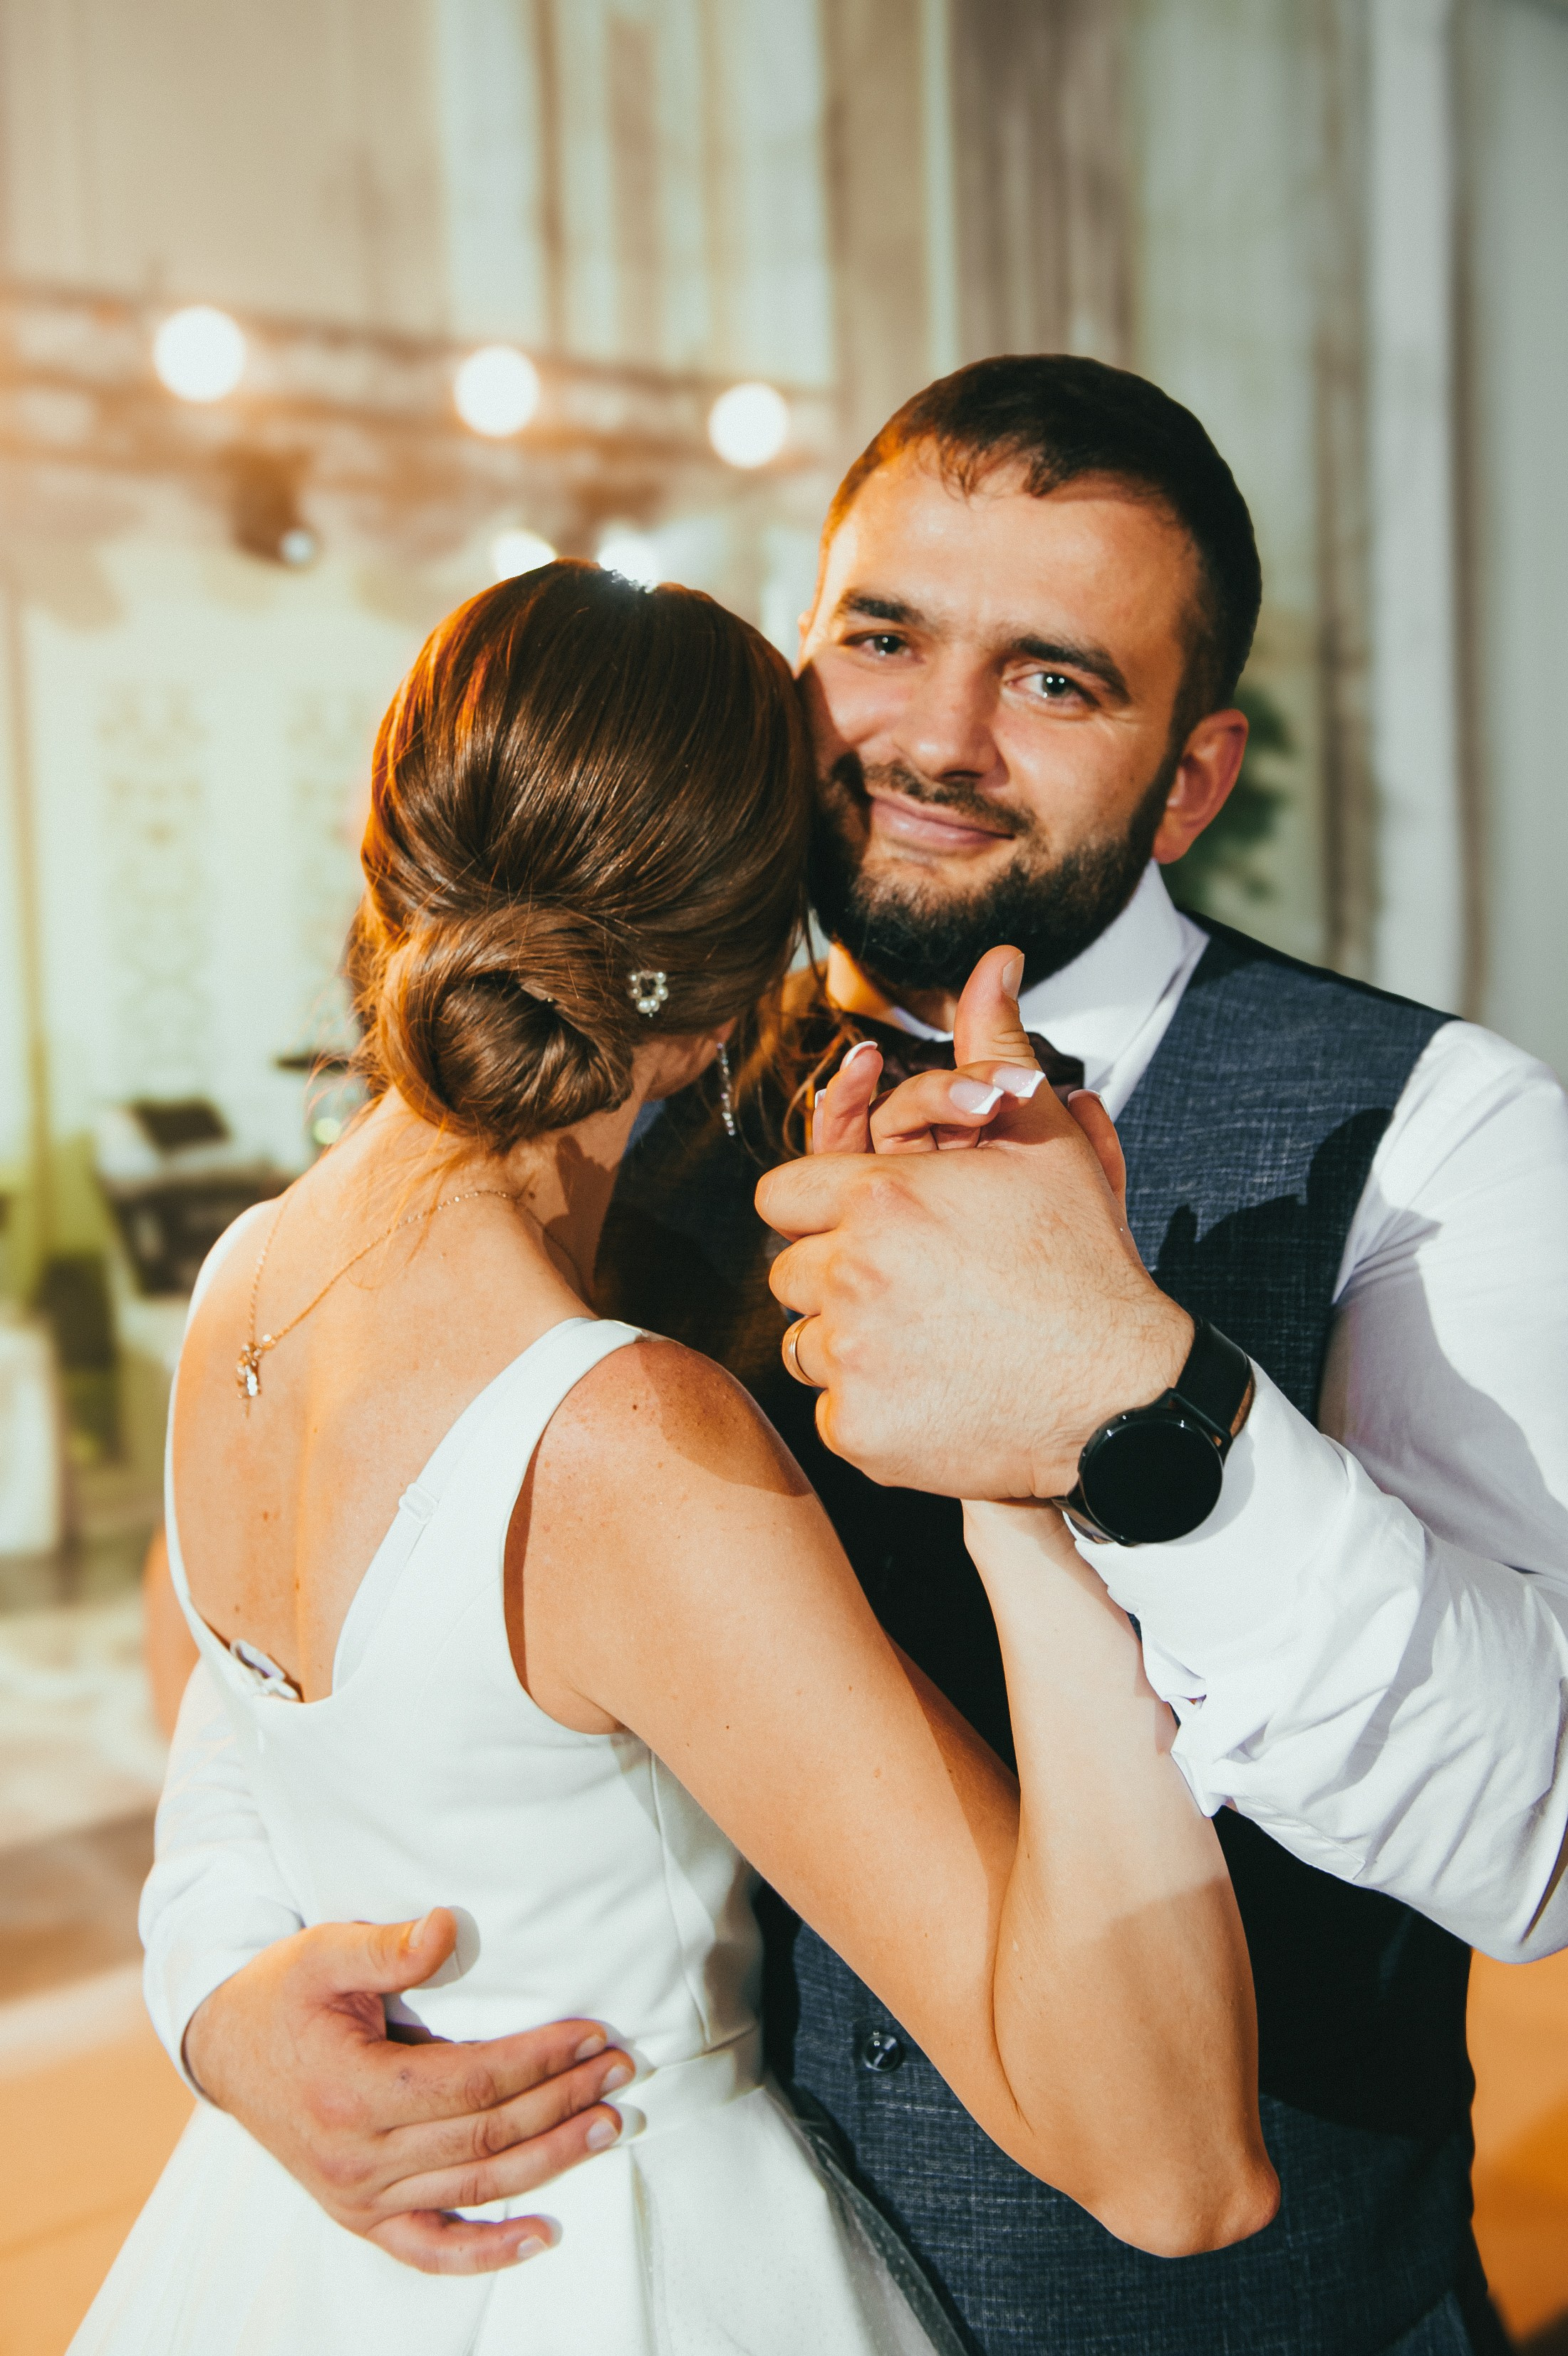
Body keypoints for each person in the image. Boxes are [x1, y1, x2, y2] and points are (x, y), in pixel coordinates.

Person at [136, 354, 1568, 2353]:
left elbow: (1536, 1839)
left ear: (1193, 776)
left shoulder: (1434, 1133)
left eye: (1053, 678)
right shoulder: (586, 1096)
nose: (935, 740)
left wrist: (1140, 1411)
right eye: (883, 640)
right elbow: (264, 1672)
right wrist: (214, 1986)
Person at [77, 559, 1273, 2355]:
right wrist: (1019, 1451)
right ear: (728, 1005)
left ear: (388, 853)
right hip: (615, 2267)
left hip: (304, 2263)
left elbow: (219, 1713)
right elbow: (1173, 2164)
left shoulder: (249, 1272)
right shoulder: (617, 1441)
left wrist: (214, 2002)